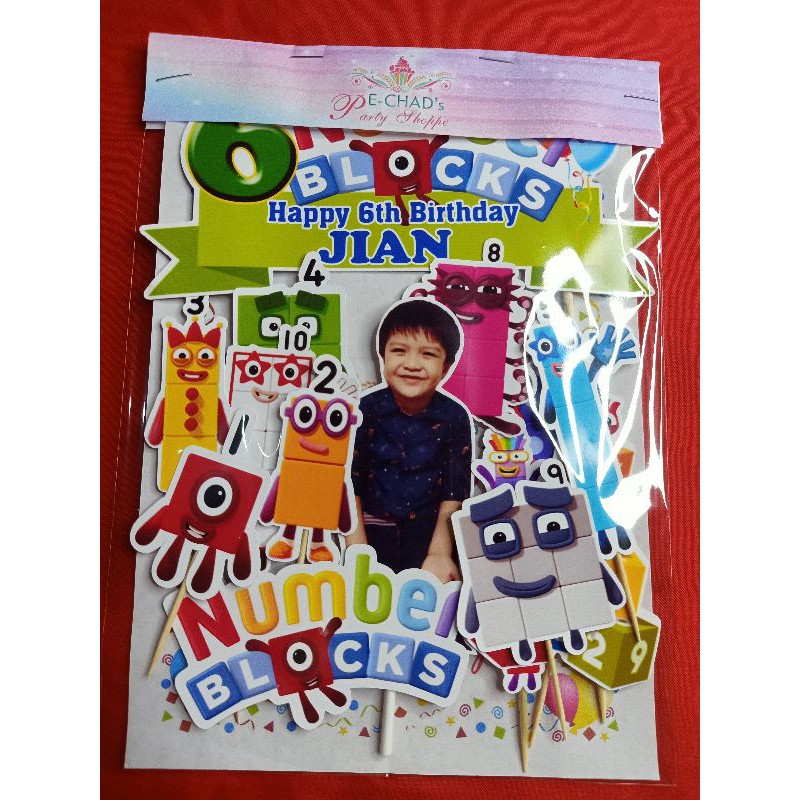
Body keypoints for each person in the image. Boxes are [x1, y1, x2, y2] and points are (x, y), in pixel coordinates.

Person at [348, 299, 473, 582]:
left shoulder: (454, 416)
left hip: (430, 538)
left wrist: (440, 553)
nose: (412, 364)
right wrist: (356, 551)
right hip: (369, 533)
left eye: (428, 354)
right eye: (399, 351)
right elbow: (349, 483)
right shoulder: (364, 410)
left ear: (446, 366)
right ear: (382, 356)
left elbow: (455, 491)